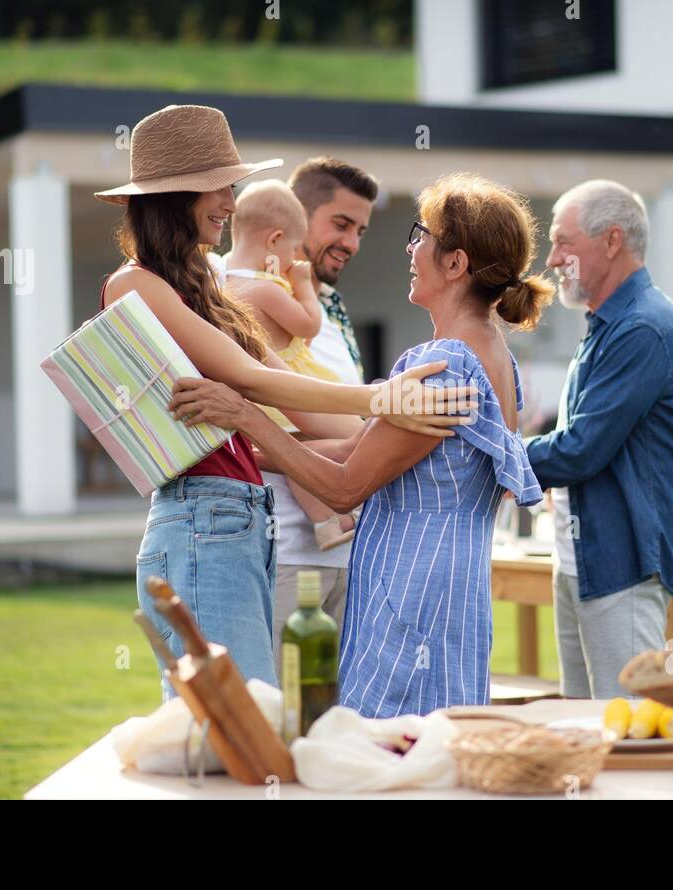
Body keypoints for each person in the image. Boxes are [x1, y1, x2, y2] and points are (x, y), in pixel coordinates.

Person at [93, 105, 472, 699]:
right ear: (177, 195)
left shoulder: (207, 292)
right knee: (235, 725)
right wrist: (380, 398)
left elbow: (307, 412)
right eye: (219, 186)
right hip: (200, 520)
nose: (231, 200)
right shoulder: (133, 285)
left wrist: (397, 427)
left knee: (253, 721)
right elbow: (253, 378)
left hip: (240, 522)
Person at [168, 173, 552, 716]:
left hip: (410, 592)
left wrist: (244, 414)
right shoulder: (494, 354)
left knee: (390, 754)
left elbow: (345, 487)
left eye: (422, 235)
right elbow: (353, 453)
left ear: (456, 263)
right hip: (452, 588)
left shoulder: (444, 362)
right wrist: (235, 454)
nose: (410, 248)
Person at [523, 179, 673, 700]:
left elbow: (580, 449)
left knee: (628, 734)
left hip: (621, 563)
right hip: (583, 556)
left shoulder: (644, 328)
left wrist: (492, 453)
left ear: (611, 241)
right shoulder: (608, 324)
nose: (553, 259)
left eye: (563, 242)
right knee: (585, 725)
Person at [264, 158, 380, 674]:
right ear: (292, 218)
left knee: (333, 717)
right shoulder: (245, 289)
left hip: (346, 555)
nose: (353, 243)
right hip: (283, 551)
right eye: (340, 224)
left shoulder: (326, 308)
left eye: (360, 230)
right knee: (277, 712)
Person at [224, 179, 358, 551]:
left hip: (264, 396)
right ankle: (335, 515)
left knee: (293, 454)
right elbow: (308, 325)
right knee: (329, 445)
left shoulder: (224, 286)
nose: (294, 259)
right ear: (274, 241)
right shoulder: (267, 289)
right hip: (293, 385)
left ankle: (327, 523)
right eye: (292, 250)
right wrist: (302, 284)